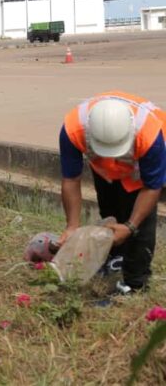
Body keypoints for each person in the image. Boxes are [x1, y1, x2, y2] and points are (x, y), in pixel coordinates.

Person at [58, 91, 166, 294]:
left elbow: (152, 187)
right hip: (102, 166)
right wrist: (72, 226)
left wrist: (131, 226)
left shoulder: (150, 135)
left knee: (140, 224)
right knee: (109, 209)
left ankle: (136, 284)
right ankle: (116, 257)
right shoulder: (73, 128)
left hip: (143, 160)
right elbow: (71, 179)